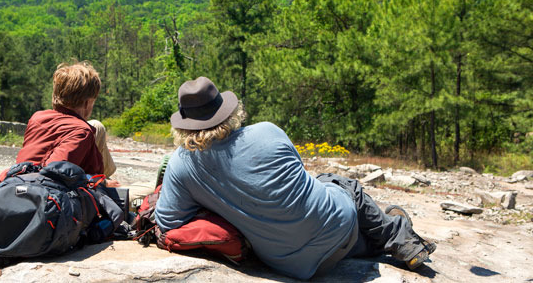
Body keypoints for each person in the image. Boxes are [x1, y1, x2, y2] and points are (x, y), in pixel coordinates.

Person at [154, 77, 436, 280]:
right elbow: (299, 182)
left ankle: (389, 235)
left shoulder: (181, 164)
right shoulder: (268, 131)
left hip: (294, 266)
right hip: (338, 228)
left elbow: (168, 222)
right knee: (339, 183)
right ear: (228, 112)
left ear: (185, 124)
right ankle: (399, 236)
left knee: (347, 232)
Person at [0, 61, 119, 196]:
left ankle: (107, 178)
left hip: (20, 184)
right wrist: (101, 183)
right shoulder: (82, 131)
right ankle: (108, 180)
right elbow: (56, 174)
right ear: (87, 103)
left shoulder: (37, 118)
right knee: (133, 196)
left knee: (97, 126)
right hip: (48, 195)